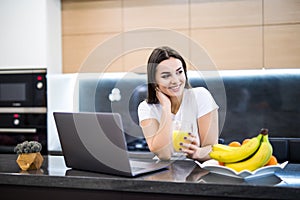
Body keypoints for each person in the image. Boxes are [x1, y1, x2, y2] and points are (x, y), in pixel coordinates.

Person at [138, 46, 219, 161]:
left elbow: (212, 149)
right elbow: (164, 154)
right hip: (163, 174)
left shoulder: (200, 96)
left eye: (179, 72)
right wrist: (166, 108)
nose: (175, 80)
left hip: (197, 172)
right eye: (166, 76)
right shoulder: (146, 108)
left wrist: (198, 153)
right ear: (154, 80)